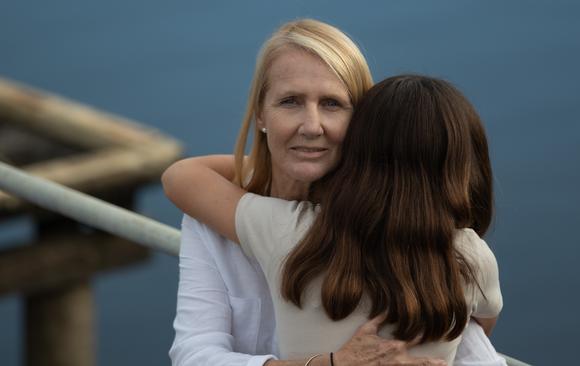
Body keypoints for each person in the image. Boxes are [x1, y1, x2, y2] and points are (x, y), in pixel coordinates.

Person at [167, 19, 507, 366]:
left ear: (360, 122)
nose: (312, 126)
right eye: (290, 101)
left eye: (332, 104)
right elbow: (194, 357)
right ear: (260, 114)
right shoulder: (213, 210)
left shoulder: (296, 229)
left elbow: (471, 344)